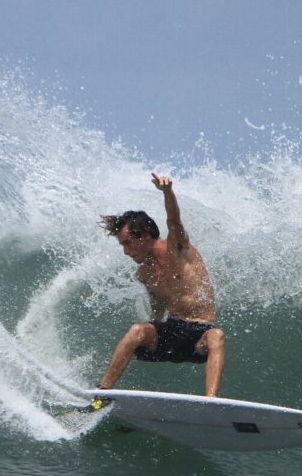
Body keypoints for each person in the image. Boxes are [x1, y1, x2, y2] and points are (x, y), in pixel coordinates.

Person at [84, 173, 225, 411]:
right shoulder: (145, 274)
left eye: (127, 243)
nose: (126, 252)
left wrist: (167, 192)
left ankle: (209, 403)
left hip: (200, 335)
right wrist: (148, 334)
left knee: (217, 337)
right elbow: (158, 311)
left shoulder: (177, 249)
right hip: (173, 330)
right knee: (137, 330)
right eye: (122, 245)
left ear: (146, 237)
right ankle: (102, 395)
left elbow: (174, 221)